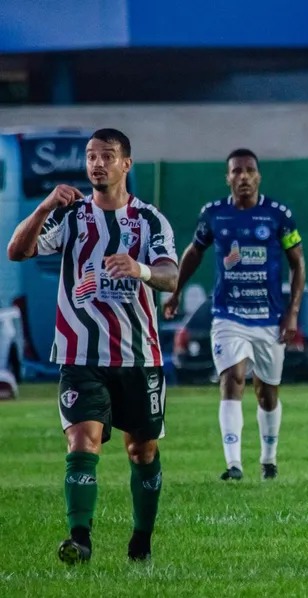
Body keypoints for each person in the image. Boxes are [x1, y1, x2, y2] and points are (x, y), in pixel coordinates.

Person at [6, 128, 179, 564]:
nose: (97, 163)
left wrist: (137, 268)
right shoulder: (72, 217)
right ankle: (80, 539)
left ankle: (141, 540)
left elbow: (170, 276)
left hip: (139, 357)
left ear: (126, 164)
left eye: (107, 156)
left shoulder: (150, 220)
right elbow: (17, 250)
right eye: (90, 156)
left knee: (143, 450)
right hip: (80, 356)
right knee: (83, 443)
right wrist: (45, 205)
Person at [164, 148, 306, 482]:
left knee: (267, 392)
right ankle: (234, 464)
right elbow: (194, 252)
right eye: (236, 171)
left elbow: (297, 263)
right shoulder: (213, 214)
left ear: (258, 176)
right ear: (227, 177)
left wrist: (292, 313)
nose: (243, 177)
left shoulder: (278, 215)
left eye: (249, 171)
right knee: (233, 379)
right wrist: (176, 290)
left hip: (268, 318)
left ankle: (268, 459)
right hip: (228, 315)